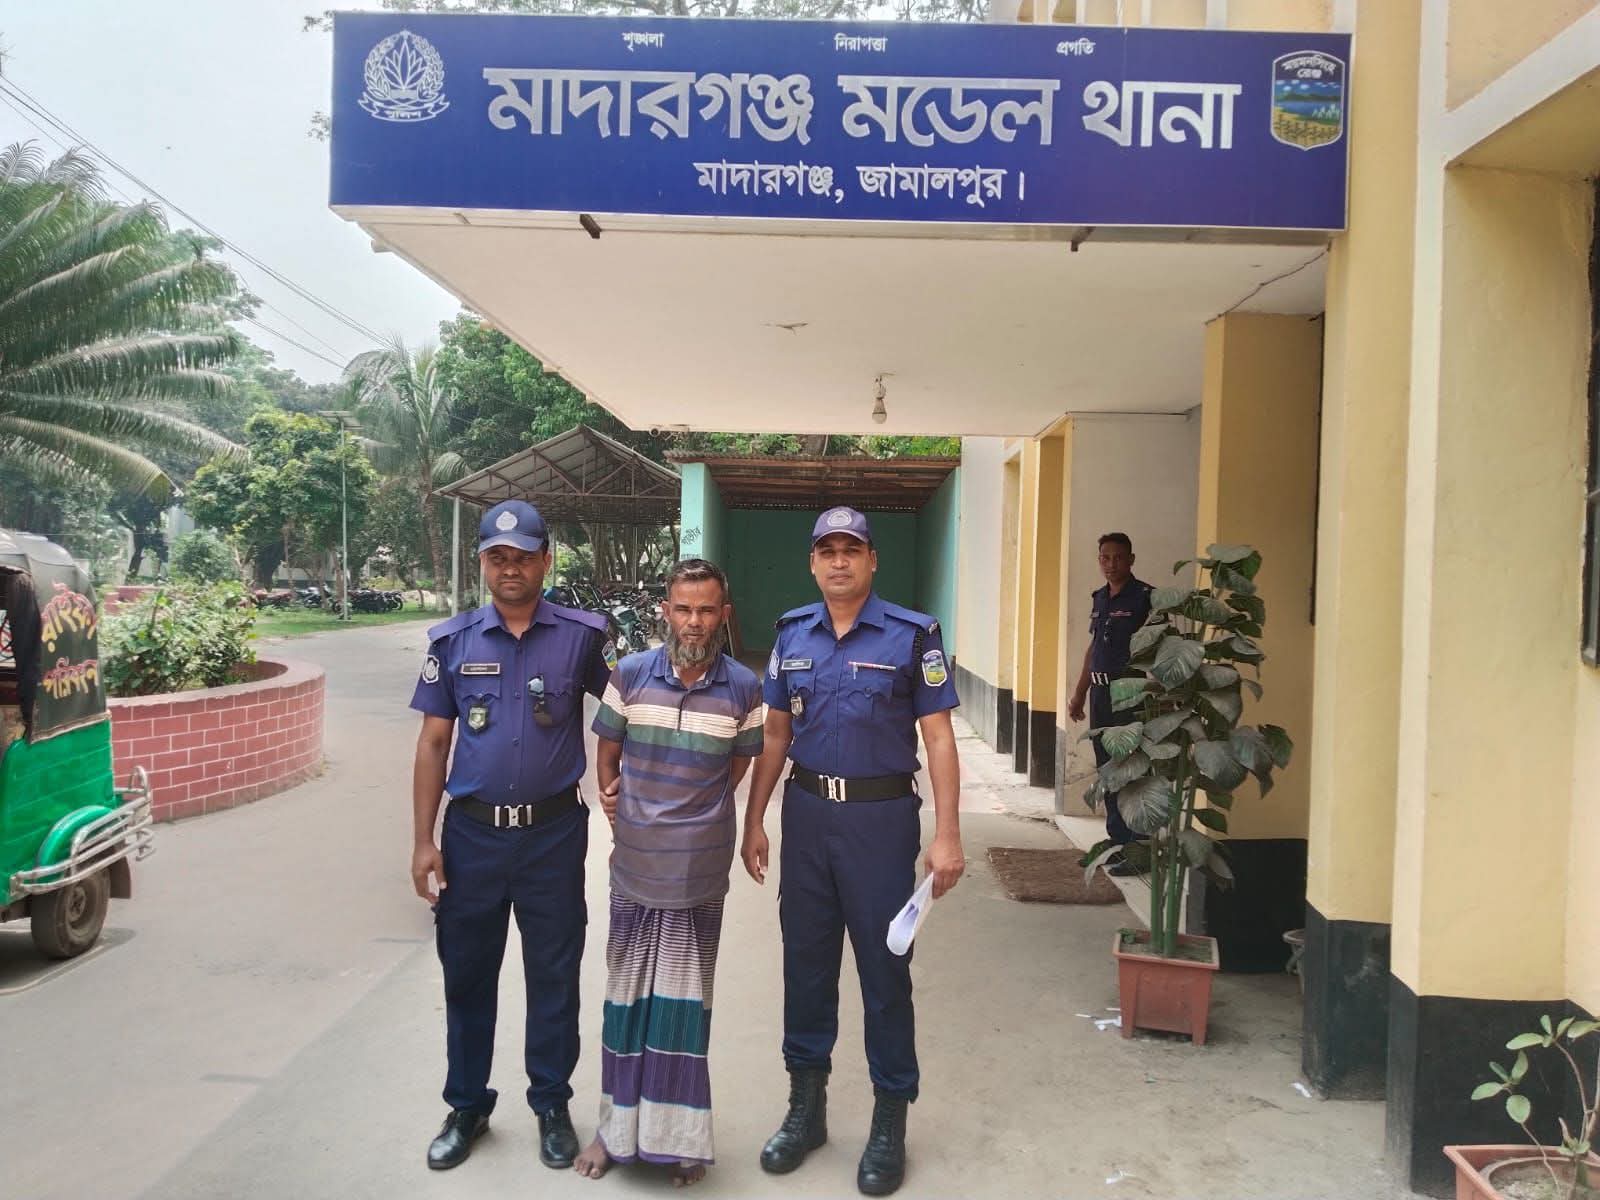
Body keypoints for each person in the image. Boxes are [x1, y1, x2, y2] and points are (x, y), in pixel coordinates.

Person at [740, 506, 965, 1198]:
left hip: (881, 822)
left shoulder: (912, 635)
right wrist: (754, 819)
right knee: (806, 968)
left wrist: (948, 833)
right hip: (808, 817)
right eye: (827, 550)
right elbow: (775, 735)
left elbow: (939, 738)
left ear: (871, 560)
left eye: (852, 549)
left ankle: (889, 1120)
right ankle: (805, 1111)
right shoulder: (792, 633)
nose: (839, 561)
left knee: (884, 973)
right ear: (813, 563)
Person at [409, 499, 615, 1172]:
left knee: (554, 974)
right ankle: (467, 1105)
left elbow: (628, 707)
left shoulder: (584, 638)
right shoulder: (453, 643)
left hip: (554, 835)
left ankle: (551, 1104)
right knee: (468, 975)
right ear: (482, 564)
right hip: (472, 838)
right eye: (497, 558)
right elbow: (432, 744)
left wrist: (621, 785)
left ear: (545, 561)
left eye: (523, 557)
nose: (510, 568)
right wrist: (423, 840)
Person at [573, 558, 764, 1188]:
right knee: (625, 1003)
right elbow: (607, 754)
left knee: (684, 1007)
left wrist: (696, 811)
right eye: (683, 608)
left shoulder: (744, 688)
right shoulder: (629, 675)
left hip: (699, 871)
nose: (694, 621)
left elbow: (737, 767)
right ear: (665, 610)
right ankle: (612, 1132)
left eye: (707, 609)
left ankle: (679, 1139)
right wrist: (616, 802)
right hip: (634, 865)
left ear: (724, 615)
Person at [1066, 532, 1155, 876]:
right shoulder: (1100, 598)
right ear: (1099, 560)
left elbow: (1159, 646)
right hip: (1100, 695)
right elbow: (1094, 650)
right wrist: (1079, 693)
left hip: (1129, 694)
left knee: (1130, 769)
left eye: (1118, 557)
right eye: (1105, 557)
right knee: (1108, 770)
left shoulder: (1145, 597)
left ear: (1131, 560)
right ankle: (1118, 843)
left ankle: (1138, 849)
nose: (1111, 564)